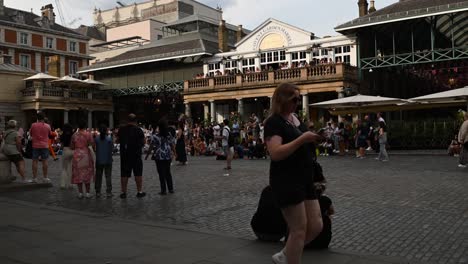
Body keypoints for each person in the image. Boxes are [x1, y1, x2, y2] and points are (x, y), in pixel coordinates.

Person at [264, 83, 323, 264]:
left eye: (299, 98)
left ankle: (285, 255)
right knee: (299, 229)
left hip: (304, 177)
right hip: (287, 179)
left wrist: (314, 140)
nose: (297, 102)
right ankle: (290, 258)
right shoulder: (274, 122)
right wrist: (302, 139)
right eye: (294, 99)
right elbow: (275, 153)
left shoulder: (295, 119)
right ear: (282, 100)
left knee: (316, 225)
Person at [117, 113, 146, 198]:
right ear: (136, 121)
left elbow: (117, 140)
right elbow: (144, 142)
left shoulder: (121, 129)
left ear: (127, 120)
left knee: (124, 174)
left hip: (125, 155)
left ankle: (123, 192)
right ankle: (139, 191)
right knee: (138, 173)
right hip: (136, 155)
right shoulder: (139, 130)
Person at [145, 119, 176, 195]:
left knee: (161, 173)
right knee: (168, 172)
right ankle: (171, 189)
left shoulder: (155, 136)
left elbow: (151, 147)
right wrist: (175, 153)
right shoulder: (168, 134)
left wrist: (147, 155)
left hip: (159, 156)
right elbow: (172, 144)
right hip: (167, 155)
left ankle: (163, 190)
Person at [71, 119, 95, 199]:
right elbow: (92, 144)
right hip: (85, 153)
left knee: (78, 173)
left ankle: (80, 193)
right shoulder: (88, 134)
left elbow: (72, 146)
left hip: (77, 154)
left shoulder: (74, 135)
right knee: (86, 172)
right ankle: (87, 192)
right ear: (85, 126)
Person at [30, 112, 52, 183]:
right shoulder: (47, 126)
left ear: (37, 118)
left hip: (35, 145)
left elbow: (30, 134)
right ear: (44, 118)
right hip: (44, 145)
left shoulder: (33, 125)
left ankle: (34, 178)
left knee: (34, 161)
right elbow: (50, 134)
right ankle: (45, 177)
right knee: (45, 161)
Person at [94, 124, 114, 198]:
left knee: (98, 177)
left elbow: (94, 147)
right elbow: (112, 149)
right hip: (108, 160)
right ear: (106, 131)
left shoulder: (96, 139)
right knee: (108, 176)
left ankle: (98, 192)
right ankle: (109, 192)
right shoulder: (109, 139)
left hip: (99, 160)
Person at [59, 123, 74, 189]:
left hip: (65, 150)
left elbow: (61, 146)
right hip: (72, 150)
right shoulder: (73, 135)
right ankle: (70, 184)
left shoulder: (62, 135)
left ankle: (63, 184)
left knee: (64, 168)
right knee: (70, 168)